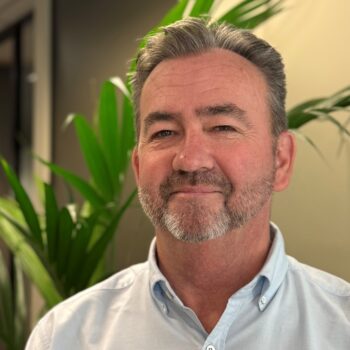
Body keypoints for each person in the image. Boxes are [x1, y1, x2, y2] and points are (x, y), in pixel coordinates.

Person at [26, 18, 350, 349]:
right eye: (164, 132)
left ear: (281, 159)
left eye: (223, 127)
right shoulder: (65, 337)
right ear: (138, 167)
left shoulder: (341, 328)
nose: (190, 160)